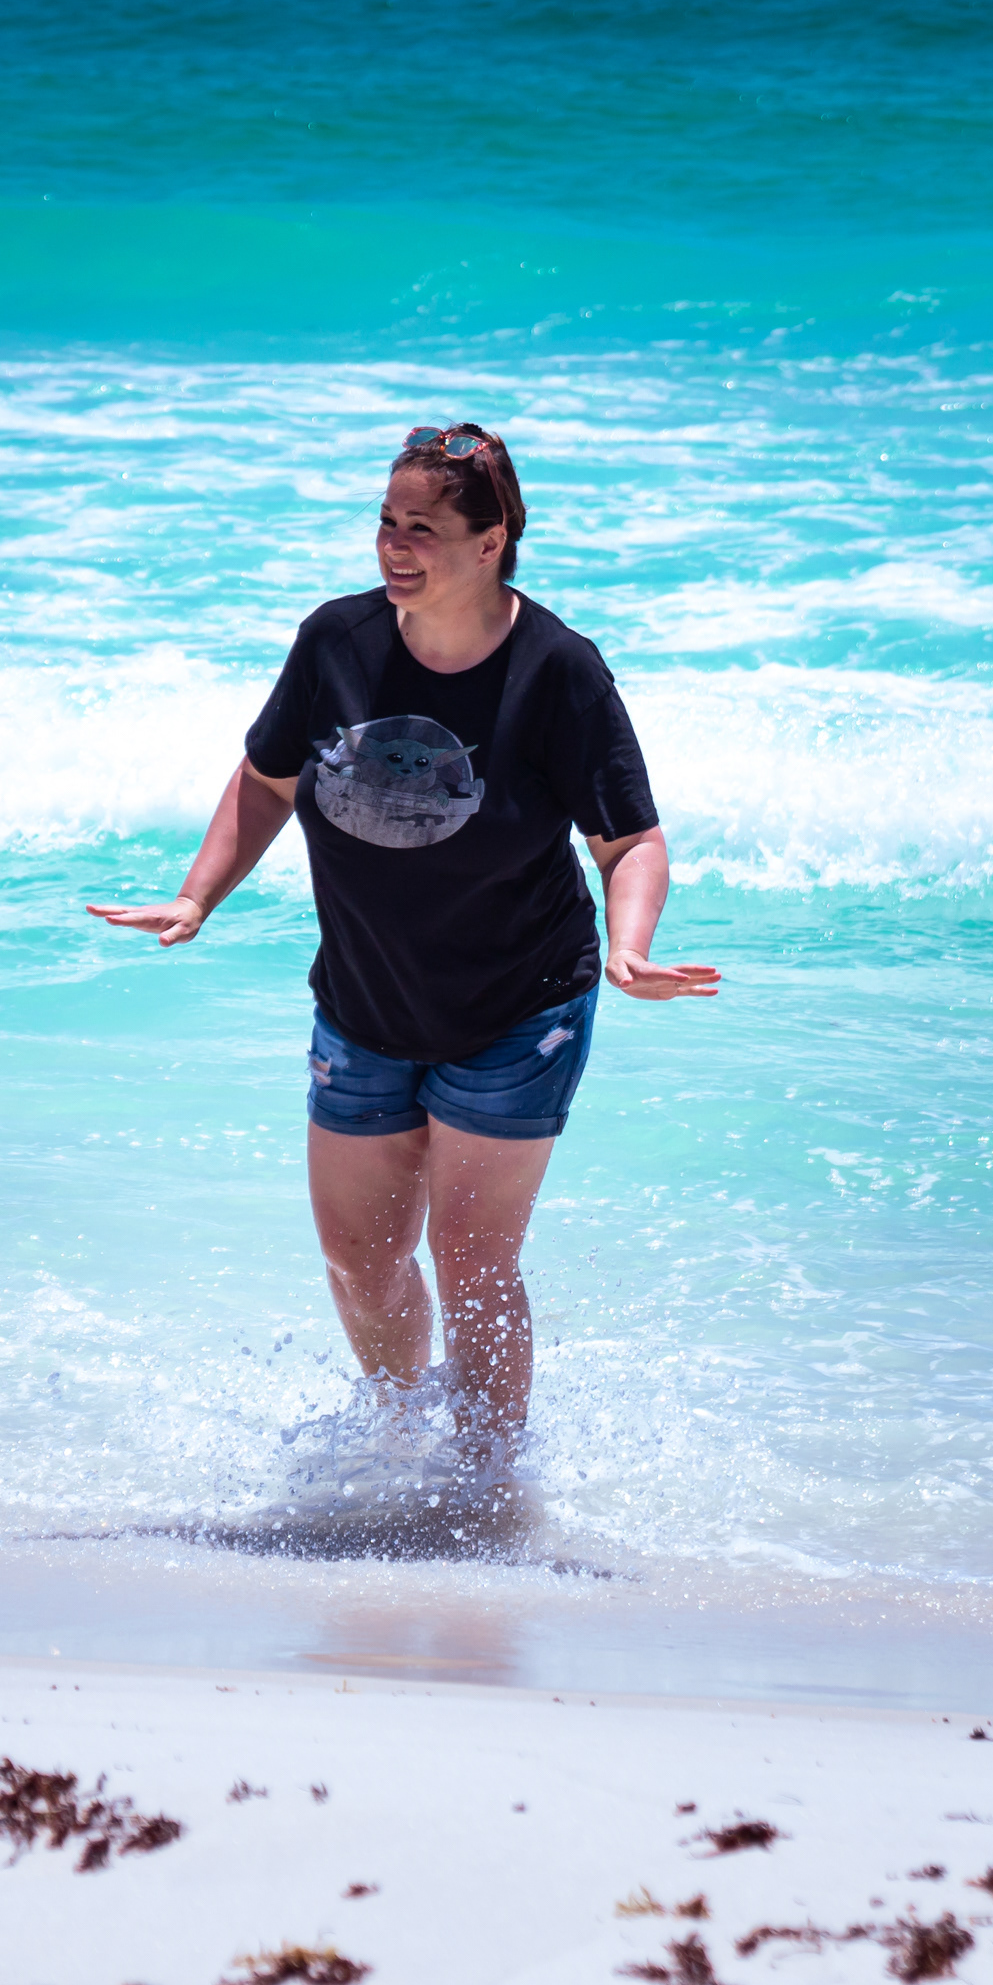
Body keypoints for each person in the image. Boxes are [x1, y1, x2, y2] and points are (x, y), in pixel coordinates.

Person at [89, 422, 716, 1464]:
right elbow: (267, 781)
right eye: (385, 521)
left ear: (492, 541)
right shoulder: (336, 642)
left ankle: (487, 1477)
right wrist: (198, 897)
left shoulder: (557, 670)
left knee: (471, 1257)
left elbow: (629, 839)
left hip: (520, 1007)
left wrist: (631, 944)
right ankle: (398, 1439)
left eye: (421, 528)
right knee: (360, 1258)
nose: (393, 545)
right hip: (366, 1000)